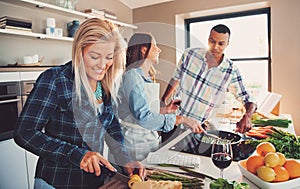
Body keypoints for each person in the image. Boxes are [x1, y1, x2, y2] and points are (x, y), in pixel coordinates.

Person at [14, 18, 145, 189]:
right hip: (56, 182)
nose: (103, 65)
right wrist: (77, 155)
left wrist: (124, 158)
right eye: (94, 56)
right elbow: (25, 132)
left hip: (92, 182)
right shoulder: (55, 80)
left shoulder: (103, 84)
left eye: (109, 57)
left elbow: (111, 126)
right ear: (79, 51)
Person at [117, 33, 205, 161]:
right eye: (155, 46)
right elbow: (143, 117)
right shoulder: (132, 76)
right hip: (136, 142)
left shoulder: (145, 76)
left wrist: (164, 110)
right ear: (143, 49)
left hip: (147, 139)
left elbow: (143, 110)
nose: (159, 49)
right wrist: (180, 119)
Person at [161, 24, 257, 133]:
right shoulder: (190, 55)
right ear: (208, 39)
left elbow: (248, 99)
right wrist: (163, 99)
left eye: (221, 44)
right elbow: (176, 77)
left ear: (227, 44)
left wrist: (247, 116)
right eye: (212, 41)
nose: (215, 47)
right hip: (174, 121)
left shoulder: (230, 71)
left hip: (199, 129)